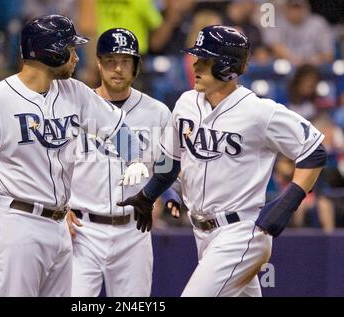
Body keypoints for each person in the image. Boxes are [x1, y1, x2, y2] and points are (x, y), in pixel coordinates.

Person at [0, 15, 149, 297]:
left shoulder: (74, 92)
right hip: (15, 223)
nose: (76, 57)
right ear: (51, 52)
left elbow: (118, 128)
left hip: (60, 227)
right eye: (70, 49)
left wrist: (134, 159)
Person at [118, 25, 327, 297]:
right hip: (202, 233)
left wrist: (287, 204)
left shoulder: (259, 112)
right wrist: (147, 196)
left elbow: (314, 151)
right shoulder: (186, 103)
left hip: (241, 232)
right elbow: (171, 160)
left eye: (206, 60)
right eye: (197, 57)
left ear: (227, 66)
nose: (196, 65)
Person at [66, 28, 171, 297]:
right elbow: (55, 164)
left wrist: (167, 196)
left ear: (136, 66)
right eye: (111, 61)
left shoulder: (157, 112)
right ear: (99, 63)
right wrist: (59, 209)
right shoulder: (77, 106)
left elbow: (169, 165)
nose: (118, 69)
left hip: (134, 229)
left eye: (126, 61)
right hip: (82, 230)